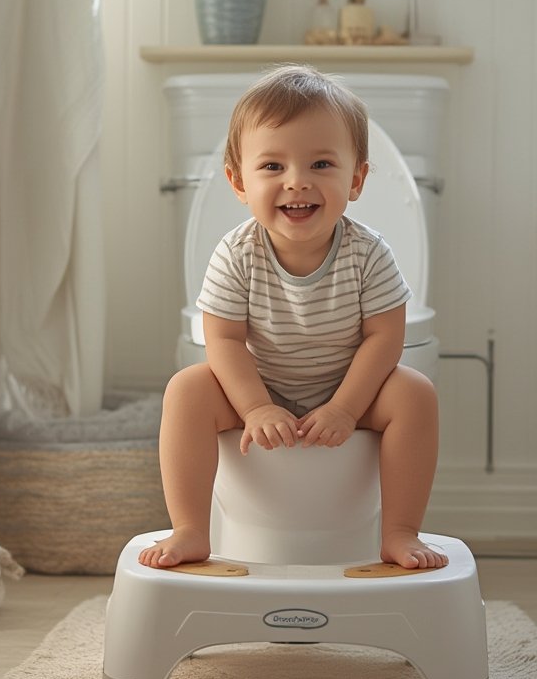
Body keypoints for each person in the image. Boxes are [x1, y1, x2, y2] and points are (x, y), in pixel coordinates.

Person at [139, 64, 446, 572]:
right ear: (239, 182)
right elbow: (224, 340)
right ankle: (191, 528)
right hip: (258, 388)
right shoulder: (236, 254)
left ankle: (398, 530)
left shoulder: (369, 254)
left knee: (415, 394)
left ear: (357, 179)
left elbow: (384, 339)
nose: (297, 182)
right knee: (187, 389)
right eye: (273, 167)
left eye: (322, 164)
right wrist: (257, 407)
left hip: (350, 390)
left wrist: (346, 408)